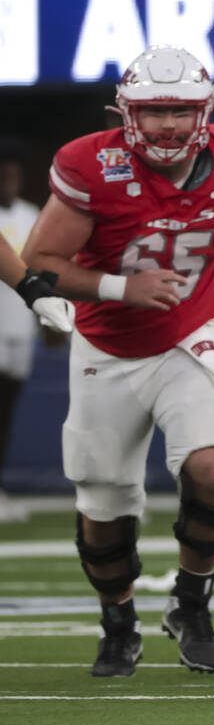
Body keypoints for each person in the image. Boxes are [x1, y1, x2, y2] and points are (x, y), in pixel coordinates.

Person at [21, 45, 214, 678]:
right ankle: (118, 622)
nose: (168, 124)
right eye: (154, 110)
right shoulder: (92, 164)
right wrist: (121, 288)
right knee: (105, 506)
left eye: (180, 109)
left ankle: (191, 600)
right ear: (126, 113)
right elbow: (42, 265)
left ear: (206, 111)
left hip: (189, 337)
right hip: (107, 346)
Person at [1, 153, 74, 520]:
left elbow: (39, 266)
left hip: (17, 325)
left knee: (6, 408)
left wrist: (46, 314)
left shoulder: (31, 214)